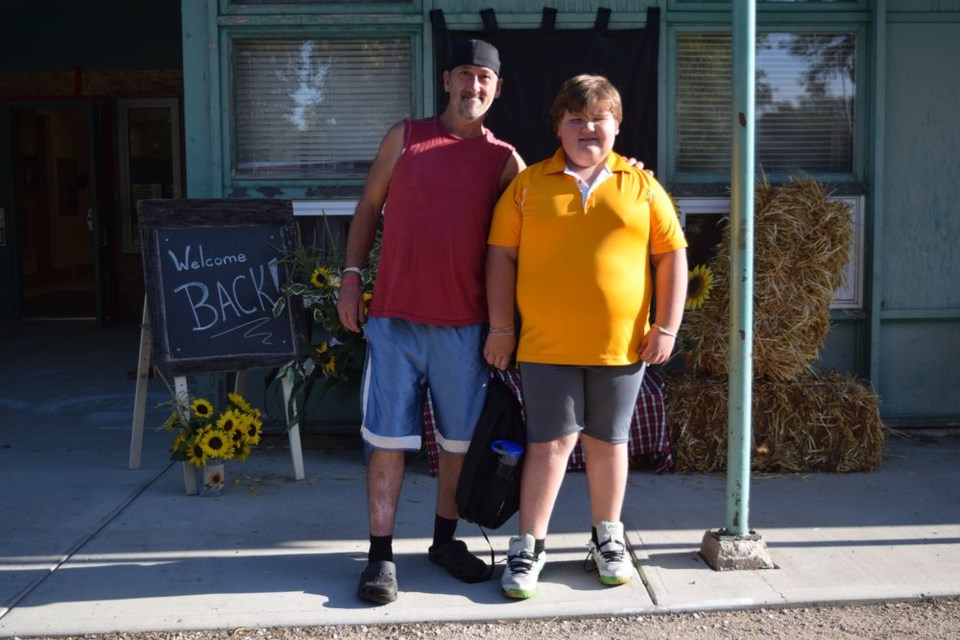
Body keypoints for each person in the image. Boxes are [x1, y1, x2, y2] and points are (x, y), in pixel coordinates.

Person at [483, 74, 688, 599]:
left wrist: (667, 325)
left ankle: (606, 539)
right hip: (547, 347)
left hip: (621, 347)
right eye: (575, 119)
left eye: (599, 118)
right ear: (558, 127)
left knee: (608, 443)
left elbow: (672, 256)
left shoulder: (642, 185)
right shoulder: (528, 185)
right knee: (548, 446)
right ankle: (528, 546)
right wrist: (502, 327)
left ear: (617, 125)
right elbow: (500, 256)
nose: (588, 128)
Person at [336, 39, 525, 605]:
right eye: (465, 75)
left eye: (484, 78)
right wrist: (351, 275)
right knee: (387, 442)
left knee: (458, 446)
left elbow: (532, 234)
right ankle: (380, 557)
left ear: (496, 87)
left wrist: (621, 167)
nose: (474, 87)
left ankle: (444, 543)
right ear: (447, 80)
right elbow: (369, 207)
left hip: (465, 329)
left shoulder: (504, 160)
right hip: (394, 321)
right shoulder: (407, 137)